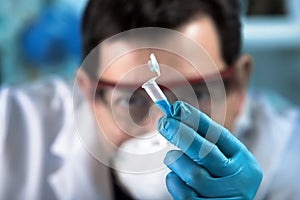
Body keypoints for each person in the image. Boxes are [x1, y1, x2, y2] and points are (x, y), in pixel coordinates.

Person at [0, 0, 299, 199]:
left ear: (240, 82)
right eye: (132, 100)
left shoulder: (290, 159)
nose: (162, 130)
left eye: (196, 93)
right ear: (88, 92)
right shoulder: (10, 130)